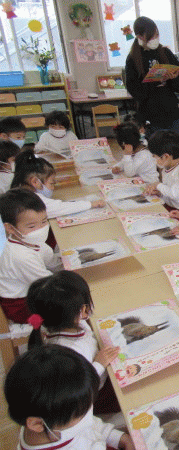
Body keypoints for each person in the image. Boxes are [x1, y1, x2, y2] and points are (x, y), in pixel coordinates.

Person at [4, 345, 135, 450]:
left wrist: (121, 438)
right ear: (37, 424)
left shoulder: (49, 418)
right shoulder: (54, 418)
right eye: (82, 413)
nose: (89, 415)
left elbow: (90, 428)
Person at [26, 271, 120, 389]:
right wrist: (99, 364)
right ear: (82, 310)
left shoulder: (60, 321)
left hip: (101, 367)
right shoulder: (68, 351)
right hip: (94, 387)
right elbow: (78, 385)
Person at [0, 189, 61, 323]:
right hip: (19, 305)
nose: (41, 229)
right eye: (32, 226)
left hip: (34, 289)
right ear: (10, 228)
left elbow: (54, 263)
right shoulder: (20, 256)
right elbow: (48, 285)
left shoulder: (33, 241)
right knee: (68, 308)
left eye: (44, 221)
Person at [125, 16, 179, 136]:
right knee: (154, 147)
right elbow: (135, 91)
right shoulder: (133, 58)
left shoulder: (166, 53)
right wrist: (155, 81)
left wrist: (174, 78)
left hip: (171, 113)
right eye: (151, 36)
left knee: (173, 146)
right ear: (140, 37)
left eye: (157, 35)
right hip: (149, 116)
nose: (155, 39)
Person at [11, 149, 105, 219]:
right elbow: (61, 207)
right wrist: (91, 204)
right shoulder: (31, 200)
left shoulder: (18, 189)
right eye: (52, 183)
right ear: (35, 182)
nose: (53, 188)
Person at [144, 130, 179, 212]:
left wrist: (158, 185)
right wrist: (159, 193)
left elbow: (174, 194)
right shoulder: (166, 168)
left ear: (165, 157)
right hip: (169, 206)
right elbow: (169, 192)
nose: (153, 159)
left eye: (154, 156)